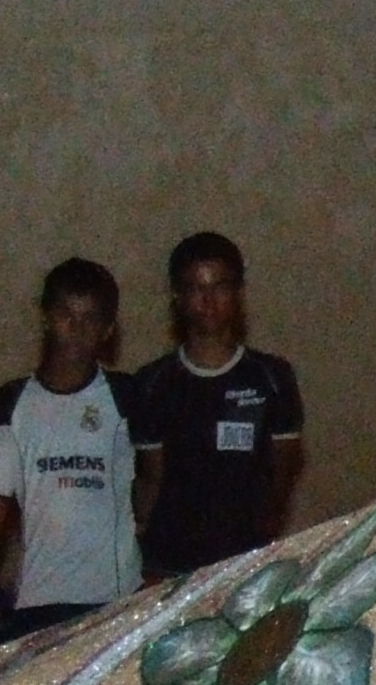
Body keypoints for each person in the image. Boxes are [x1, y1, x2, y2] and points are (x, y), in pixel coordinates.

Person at [0, 258, 144, 645]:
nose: (76, 328)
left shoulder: (126, 396)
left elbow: (152, 480)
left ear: (108, 329)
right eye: (66, 314)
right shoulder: (13, 402)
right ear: (46, 317)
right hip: (39, 597)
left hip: (114, 597)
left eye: (90, 318)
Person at [125, 230, 303, 579]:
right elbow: (150, 479)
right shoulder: (152, 382)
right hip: (168, 563)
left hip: (244, 564)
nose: (208, 301)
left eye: (220, 287)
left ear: (238, 293)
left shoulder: (272, 378)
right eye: (196, 288)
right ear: (177, 296)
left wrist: (262, 528)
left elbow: (283, 470)